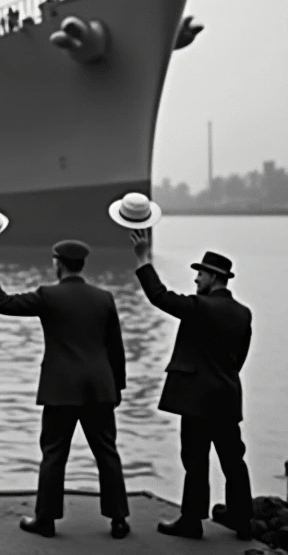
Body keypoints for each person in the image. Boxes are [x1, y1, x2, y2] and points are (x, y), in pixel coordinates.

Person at [0, 240, 131, 539]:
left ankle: (45, 520)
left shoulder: (48, 296)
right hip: (99, 388)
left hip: (61, 389)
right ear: (82, 265)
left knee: (54, 454)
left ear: (58, 264)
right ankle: (119, 519)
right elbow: (115, 348)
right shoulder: (104, 298)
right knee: (107, 453)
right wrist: (116, 388)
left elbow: (2, 303)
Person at [128, 230, 253, 540]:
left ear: (213, 277)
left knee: (195, 459)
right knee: (233, 458)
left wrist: (143, 260)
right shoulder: (243, 313)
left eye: (200, 274)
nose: (196, 280)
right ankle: (242, 519)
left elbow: (159, 296)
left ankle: (191, 521)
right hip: (226, 395)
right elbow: (239, 358)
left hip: (197, 398)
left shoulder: (201, 306)